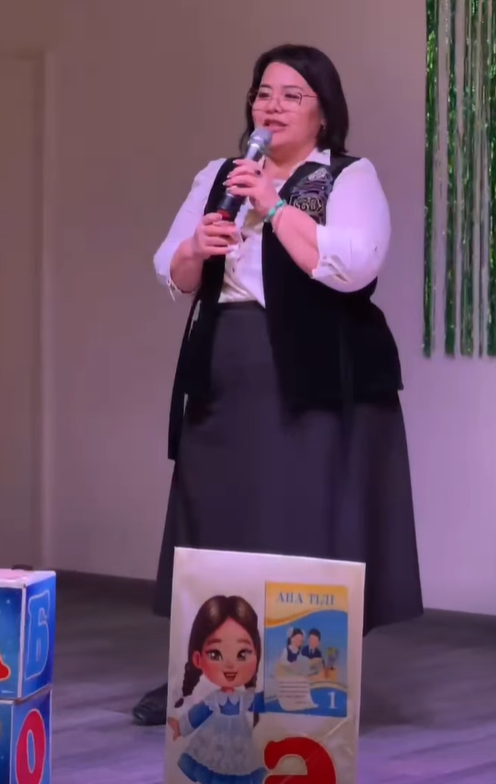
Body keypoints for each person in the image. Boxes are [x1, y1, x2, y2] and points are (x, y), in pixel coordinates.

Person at [132, 43, 423, 726]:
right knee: (217, 520)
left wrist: (274, 203)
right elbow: (174, 270)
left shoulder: (346, 176)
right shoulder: (220, 174)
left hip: (317, 369)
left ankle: (302, 686)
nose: (274, 105)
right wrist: (196, 248)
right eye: (265, 92)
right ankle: (205, 681)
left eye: (293, 95)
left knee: (304, 519)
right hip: (227, 362)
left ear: (323, 113)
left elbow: (355, 264)